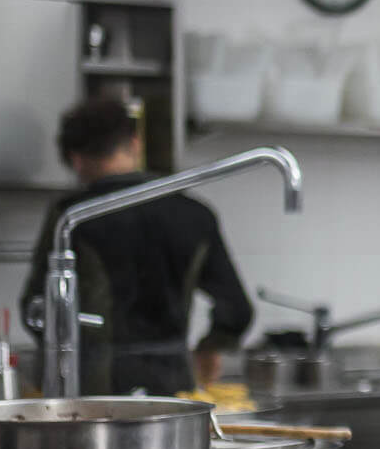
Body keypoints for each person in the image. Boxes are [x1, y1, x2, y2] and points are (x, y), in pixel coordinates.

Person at [21, 97, 253, 396]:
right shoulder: (195, 214)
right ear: (135, 143)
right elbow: (237, 309)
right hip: (173, 388)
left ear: (76, 160)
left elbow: (37, 309)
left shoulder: (73, 217)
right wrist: (212, 346)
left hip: (95, 391)